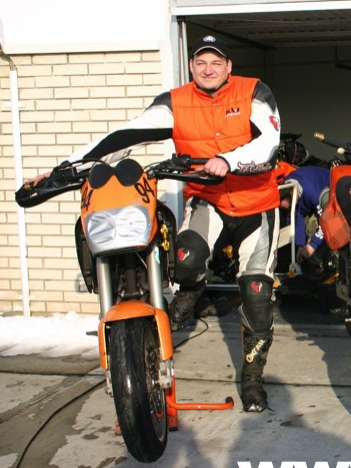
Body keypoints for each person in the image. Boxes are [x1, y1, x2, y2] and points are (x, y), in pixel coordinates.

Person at [27, 35, 282, 413]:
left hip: (256, 206)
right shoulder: (176, 102)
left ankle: (252, 379)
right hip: (209, 200)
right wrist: (63, 169)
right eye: (201, 62)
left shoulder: (254, 92)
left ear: (228, 66)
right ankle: (192, 291)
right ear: (192, 66)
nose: (208, 69)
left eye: (216, 62)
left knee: (257, 295)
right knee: (186, 259)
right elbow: (124, 137)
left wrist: (228, 160)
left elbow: (270, 141)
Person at [279, 165, 330, 264]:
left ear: (295, 197)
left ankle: (320, 263)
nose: (288, 210)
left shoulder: (314, 193)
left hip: (330, 193)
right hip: (310, 198)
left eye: (290, 207)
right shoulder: (286, 187)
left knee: (312, 228)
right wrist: (299, 246)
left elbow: (328, 221)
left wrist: (312, 246)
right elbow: (295, 220)